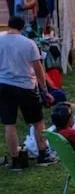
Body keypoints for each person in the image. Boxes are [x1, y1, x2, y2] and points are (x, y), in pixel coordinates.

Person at [1, 16, 55, 169]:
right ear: (22, 27)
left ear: (8, 25)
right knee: (37, 121)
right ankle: (43, 153)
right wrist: (44, 90)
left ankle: (15, 158)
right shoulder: (28, 43)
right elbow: (38, 69)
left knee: (9, 123)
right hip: (25, 86)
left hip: (4, 85)